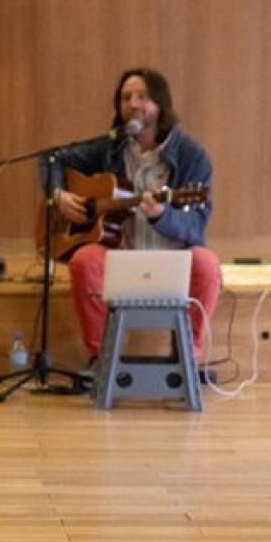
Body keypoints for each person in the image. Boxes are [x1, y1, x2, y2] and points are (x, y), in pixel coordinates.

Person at [50, 67, 220, 368]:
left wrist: (162, 216)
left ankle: (188, 358)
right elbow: (53, 159)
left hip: (172, 260)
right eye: (126, 97)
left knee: (207, 264)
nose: (133, 104)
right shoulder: (110, 148)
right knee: (84, 261)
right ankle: (101, 360)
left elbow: (196, 227)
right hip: (120, 254)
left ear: (160, 104)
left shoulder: (192, 155)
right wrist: (57, 195)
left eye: (142, 96)